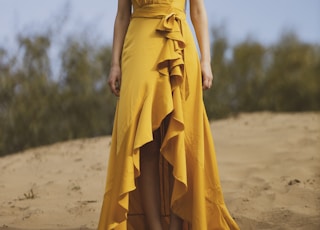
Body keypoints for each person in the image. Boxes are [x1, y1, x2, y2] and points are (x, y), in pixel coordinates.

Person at [98, 0, 240, 229]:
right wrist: (115, 64)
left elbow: (197, 10)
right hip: (139, 46)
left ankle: (177, 225)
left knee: (181, 139)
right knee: (145, 141)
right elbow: (122, 14)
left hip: (178, 41)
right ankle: (154, 226)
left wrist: (206, 59)